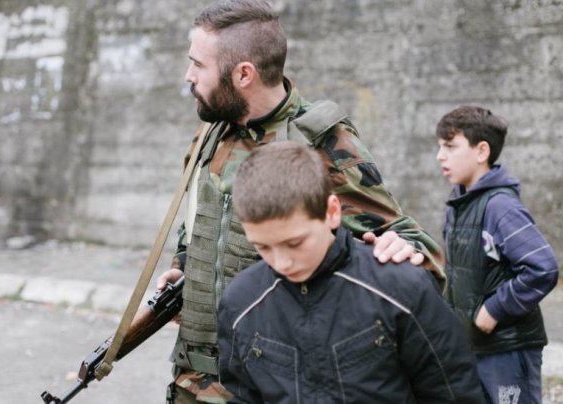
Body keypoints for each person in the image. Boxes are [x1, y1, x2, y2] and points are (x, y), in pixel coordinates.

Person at [158, 1, 444, 401]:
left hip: (273, 386)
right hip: (192, 381)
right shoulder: (210, 133)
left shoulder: (321, 142)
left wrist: (404, 249)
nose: (189, 76)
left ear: (243, 74)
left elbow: (418, 248)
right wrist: (184, 267)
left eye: (198, 65)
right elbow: (198, 222)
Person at [217, 141, 484, 403]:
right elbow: (243, 395)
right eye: (263, 247)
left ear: (332, 212)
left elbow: (454, 391)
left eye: (295, 243)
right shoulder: (240, 302)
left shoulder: (400, 288)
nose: (282, 262)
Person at [435, 105, 559, 404]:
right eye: (440, 147)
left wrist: (495, 309)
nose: (440, 156)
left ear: (482, 151)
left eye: (450, 146)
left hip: (508, 350)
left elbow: (542, 268)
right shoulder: (459, 205)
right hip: (474, 347)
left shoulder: (500, 207)